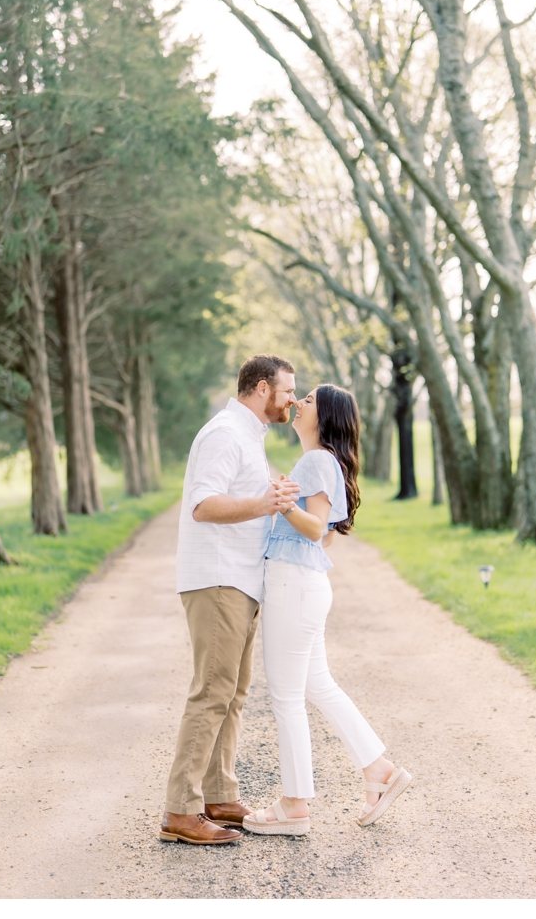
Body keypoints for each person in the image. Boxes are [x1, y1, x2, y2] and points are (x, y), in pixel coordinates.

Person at [241, 384, 412, 836]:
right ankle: (378, 770)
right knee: (318, 685)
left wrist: (280, 501)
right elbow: (328, 531)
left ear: (326, 416)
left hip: (294, 586)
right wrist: (291, 506)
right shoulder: (326, 463)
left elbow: (317, 530)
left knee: (286, 697)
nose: (298, 403)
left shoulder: (317, 461)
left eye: (309, 399)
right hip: (305, 584)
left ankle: (294, 805)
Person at [160, 354, 300, 845]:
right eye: (287, 391)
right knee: (212, 693)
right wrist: (264, 504)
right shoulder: (224, 432)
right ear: (262, 388)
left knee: (233, 695)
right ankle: (181, 810)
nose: (291, 400)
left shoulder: (248, 436)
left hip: (240, 581)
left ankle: (218, 795)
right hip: (217, 580)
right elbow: (203, 504)